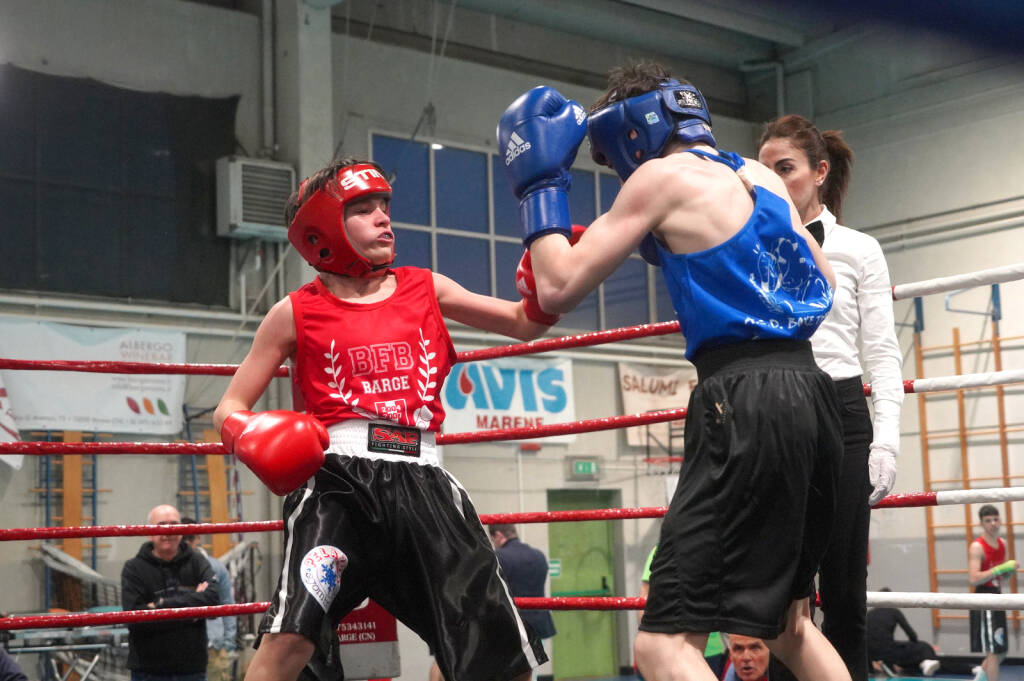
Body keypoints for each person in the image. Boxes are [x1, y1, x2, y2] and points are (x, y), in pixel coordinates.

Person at [497, 61, 848, 681]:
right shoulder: (757, 173)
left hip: (743, 400)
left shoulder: (659, 177)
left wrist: (540, 184)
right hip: (814, 397)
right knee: (791, 628)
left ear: (631, 131)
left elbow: (554, 286)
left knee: (662, 647)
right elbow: (824, 279)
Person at [213, 158, 559, 681]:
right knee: (290, 639)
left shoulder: (427, 287)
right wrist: (250, 434)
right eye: (363, 209)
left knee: (496, 659)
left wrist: (548, 258)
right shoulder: (293, 311)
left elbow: (525, 323)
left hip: (426, 482)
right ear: (323, 228)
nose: (384, 219)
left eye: (385, 207)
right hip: (337, 485)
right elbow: (228, 407)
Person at [756, 114, 904, 681]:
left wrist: (885, 439)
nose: (773, 181)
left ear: (820, 172)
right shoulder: (749, 246)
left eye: (785, 169)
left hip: (841, 412)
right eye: (764, 171)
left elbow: (883, 353)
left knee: (844, 592)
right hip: (774, 412)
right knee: (780, 595)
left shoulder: (860, 249)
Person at [121, 504, 220, 681]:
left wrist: (161, 606)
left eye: (174, 524)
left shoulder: (197, 562)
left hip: (192, 669)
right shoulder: (133, 568)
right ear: (149, 532)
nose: (168, 530)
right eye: (162, 524)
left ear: (182, 530)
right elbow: (135, 620)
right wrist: (192, 610)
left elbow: (213, 601)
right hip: (148, 670)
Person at [639, 546, 726, 677]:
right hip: (671, 642)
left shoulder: (709, 548)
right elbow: (646, 596)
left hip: (709, 645)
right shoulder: (661, 550)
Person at [181, 518, 237, 681]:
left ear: (197, 538)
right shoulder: (168, 568)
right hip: (180, 647)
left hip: (214, 646)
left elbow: (228, 604)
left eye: (188, 539)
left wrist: (227, 644)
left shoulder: (216, 567)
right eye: (182, 539)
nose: (185, 544)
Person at [968, 505, 1018, 681]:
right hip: (984, 599)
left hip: (997, 596)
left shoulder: (1002, 543)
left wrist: (1009, 571)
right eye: (988, 521)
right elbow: (974, 579)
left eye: (996, 519)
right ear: (981, 523)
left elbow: (1001, 578)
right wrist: (999, 568)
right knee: (994, 651)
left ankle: (981, 675)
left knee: (1001, 649)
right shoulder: (977, 546)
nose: (993, 523)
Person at [865, 589, 941, 678]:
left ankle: (882, 666)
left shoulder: (869, 614)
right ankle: (925, 661)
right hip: (888, 652)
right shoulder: (894, 612)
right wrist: (915, 643)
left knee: (892, 646)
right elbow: (912, 635)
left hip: (870, 653)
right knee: (924, 646)